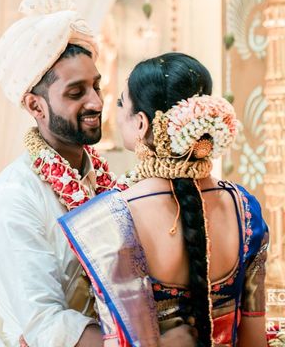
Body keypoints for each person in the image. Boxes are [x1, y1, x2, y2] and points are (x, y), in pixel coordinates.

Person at [0, 0, 195, 347]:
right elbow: (46, 325)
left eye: (96, 86)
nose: (96, 101)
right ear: (35, 106)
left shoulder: (105, 181)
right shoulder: (13, 199)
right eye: (76, 93)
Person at [59, 52, 269, 347]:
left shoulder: (104, 221)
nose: (115, 111)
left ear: (142, 123)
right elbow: (255, 340)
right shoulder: (244, 209)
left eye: (121, 102)